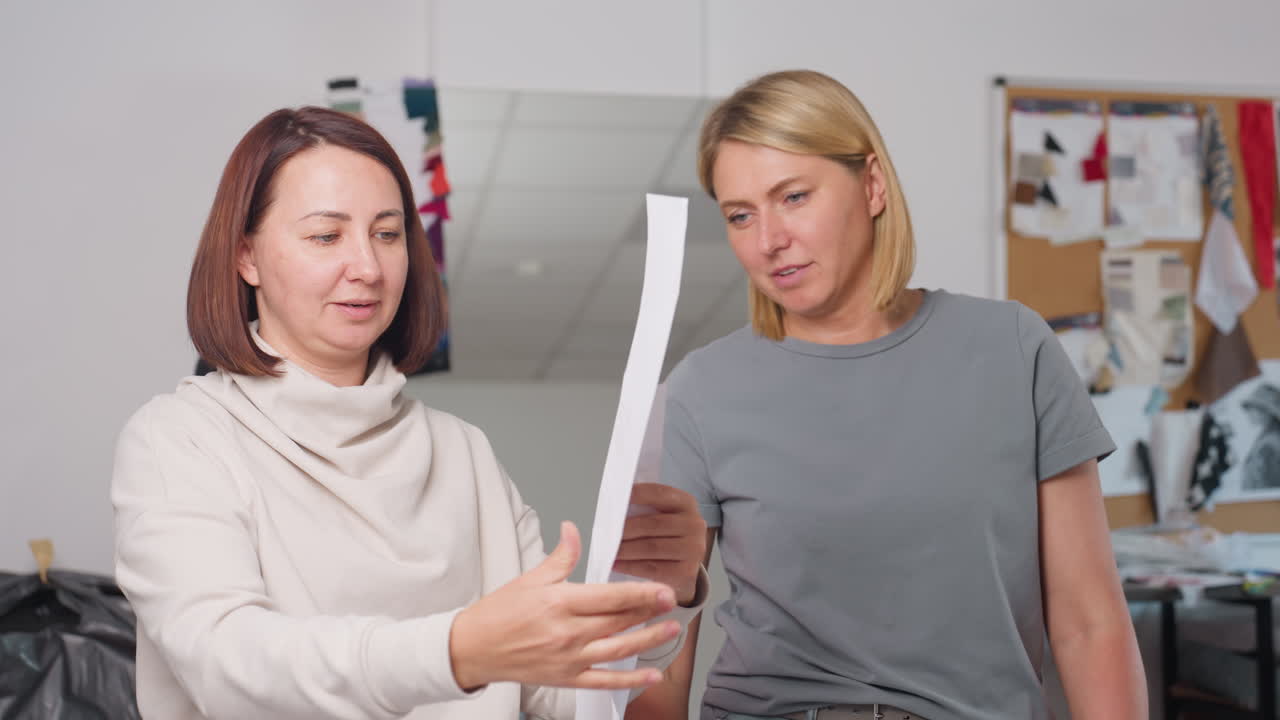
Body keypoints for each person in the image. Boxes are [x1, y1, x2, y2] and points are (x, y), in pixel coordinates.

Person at [111, 106, 708, 720]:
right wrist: (459, 651)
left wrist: (661, 591)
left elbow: (564, 694)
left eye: (387, 234)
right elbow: (228, 666)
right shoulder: (181, 438)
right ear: (247, 257)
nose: (367, 267)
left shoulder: (463, 453)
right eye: (326, 235)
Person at [626, 70, 1145, 720]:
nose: (768, 241)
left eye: (793, 197)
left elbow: (1089, 623)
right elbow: (659, 658)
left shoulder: (1013, 348)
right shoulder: (701, 390)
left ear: (872, 185)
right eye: (740, 215)